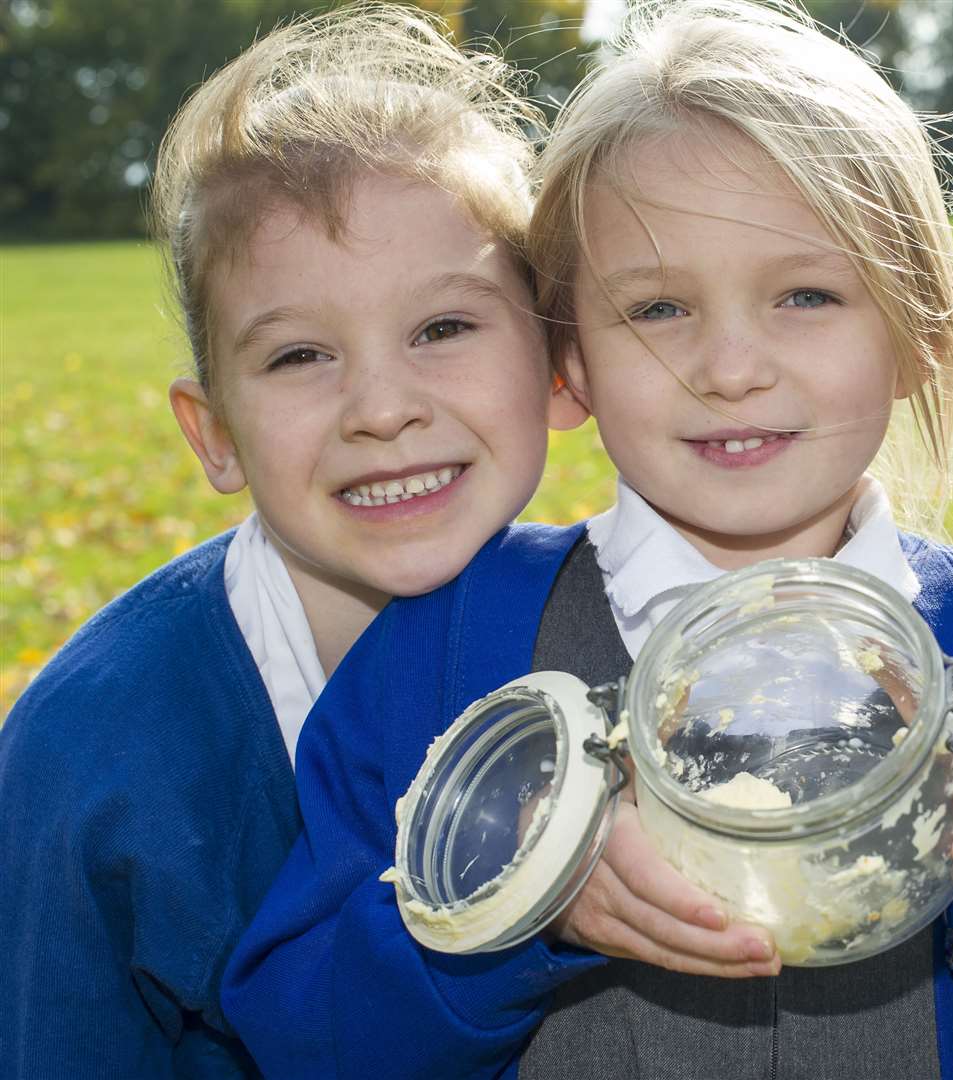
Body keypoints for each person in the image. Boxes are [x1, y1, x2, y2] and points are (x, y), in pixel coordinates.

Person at [222, 3, 953, 1077]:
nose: (728, 367)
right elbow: (304, 1037)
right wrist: (521, 904)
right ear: (567, 359)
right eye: (659, 309)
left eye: (807, 295)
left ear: (916, 335)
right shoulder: (450, 641)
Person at [0, 6, 578, 1075]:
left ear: (557, 361)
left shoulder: (613, 630)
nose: (382, 406)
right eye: (301, 355)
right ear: (214, 434)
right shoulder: (92, 758)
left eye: (443, 328)